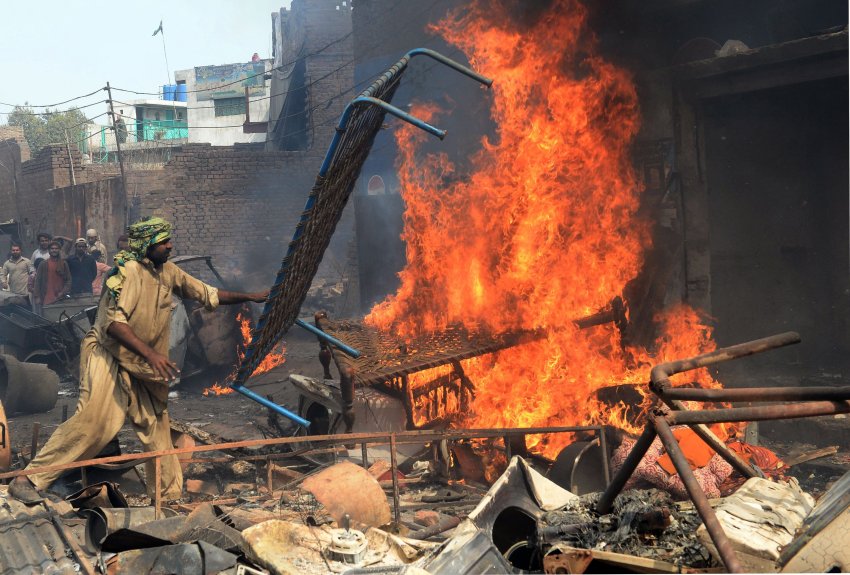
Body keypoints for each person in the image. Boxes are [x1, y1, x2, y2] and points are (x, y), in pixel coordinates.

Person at [9, 217, 269, 505]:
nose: (170, 245)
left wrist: (251, 296)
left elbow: (208, 293)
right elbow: (114, 325)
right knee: (96, 423)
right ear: (147, 245)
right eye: (163, 242)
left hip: (142, 365)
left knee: (156, 428)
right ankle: (29, 478)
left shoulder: (168, 272)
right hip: (108, 356)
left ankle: (167, 498)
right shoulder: (126, 274)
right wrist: (153, 354)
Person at [32, 240, 71, 308]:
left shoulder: (63, 264)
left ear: (59, 250)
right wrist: (37, 296)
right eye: (52, 248)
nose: (54, 250)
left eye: (56, 249)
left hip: (60, 297)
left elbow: (68, 280)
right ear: (49, 250)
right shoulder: (43, 264)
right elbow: (38, 281)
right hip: (46, 297)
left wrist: (63, 292)